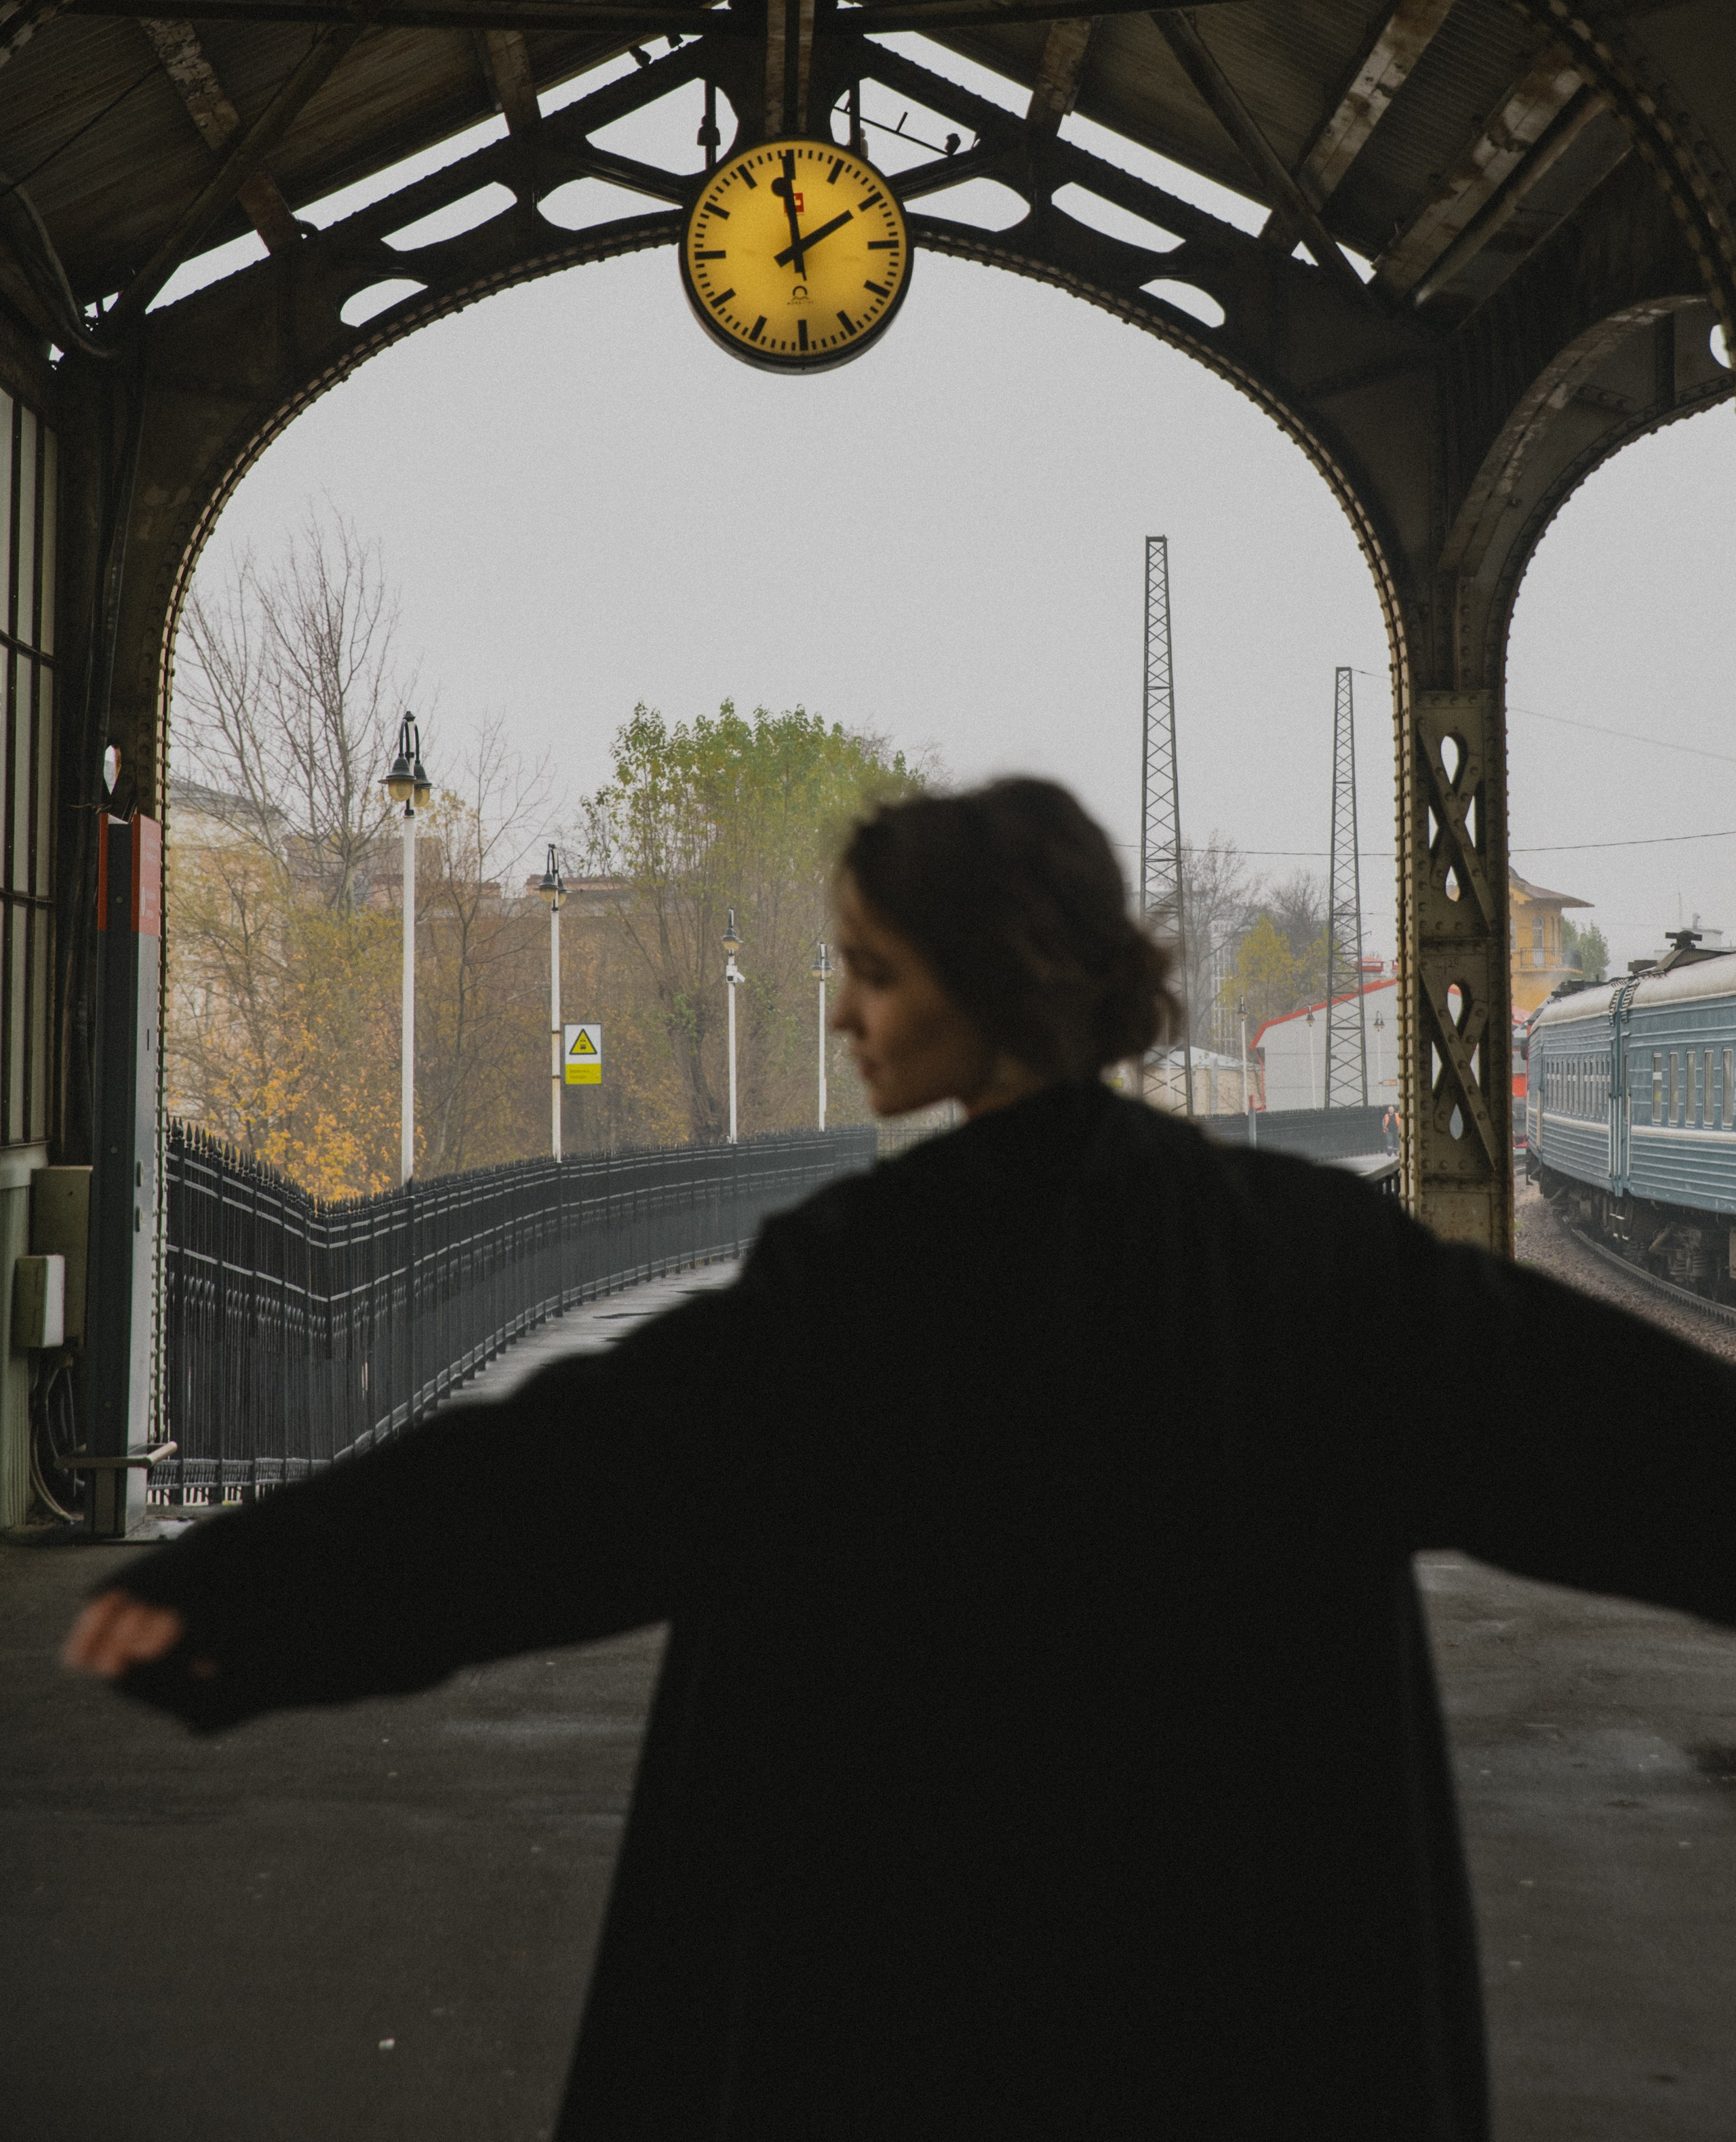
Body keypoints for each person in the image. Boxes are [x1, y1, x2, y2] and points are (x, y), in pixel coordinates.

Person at [64, 778, 1736, 2139]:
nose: (848, 1016)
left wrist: (246, 1602)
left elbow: (573, 1479)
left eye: (873, 971)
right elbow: (1593, 1432)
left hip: (895, 1965)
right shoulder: (1297, 1252)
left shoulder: (865, 1276)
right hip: (1257, 1967)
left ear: (990, 978)